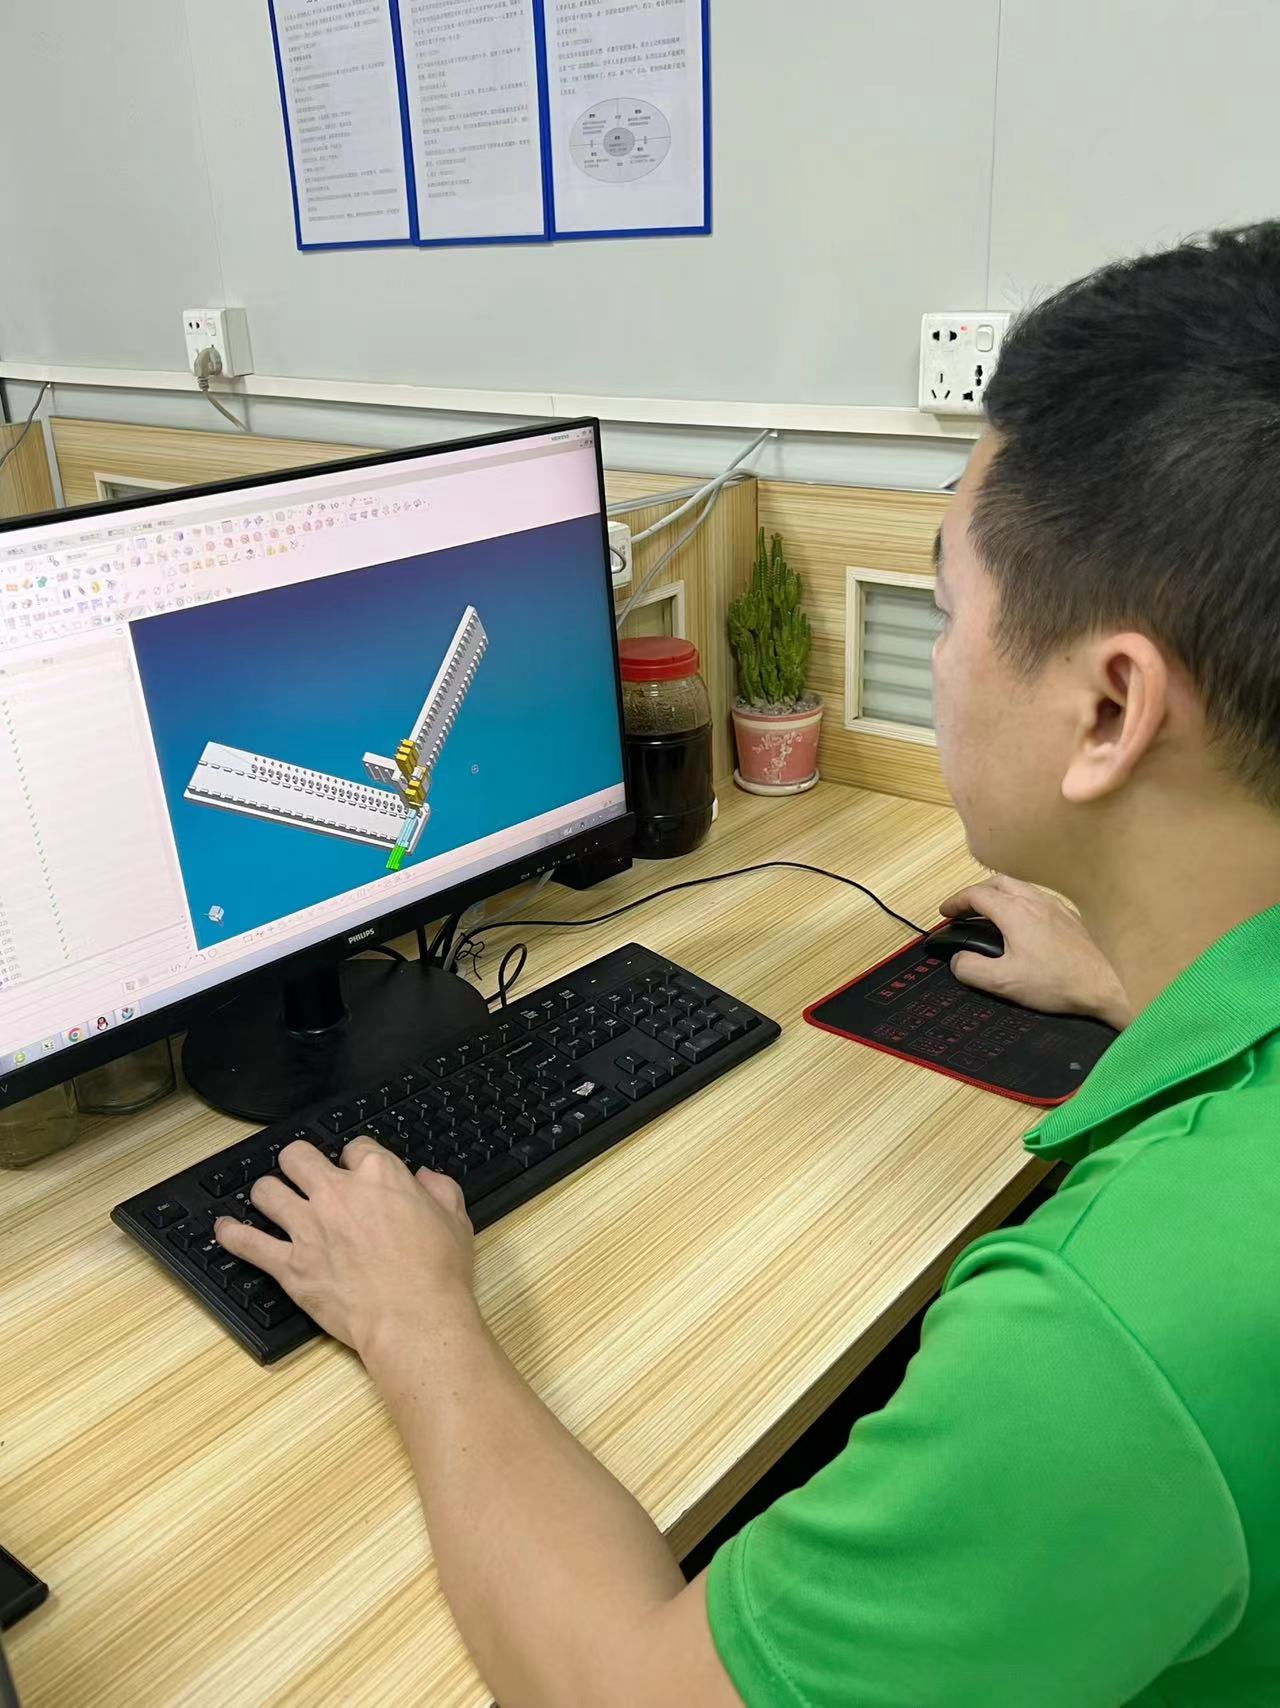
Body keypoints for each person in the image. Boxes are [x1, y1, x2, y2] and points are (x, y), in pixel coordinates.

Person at [216, 223, 1280, 1706]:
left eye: (950, 608)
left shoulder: (1113, 1334)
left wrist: (414, 1316)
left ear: (1110, 711)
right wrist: (1140, 986)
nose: (941, 653)